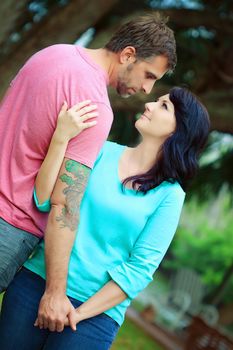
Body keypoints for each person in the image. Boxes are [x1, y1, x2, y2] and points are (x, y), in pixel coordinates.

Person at [0, 87, 210, 350]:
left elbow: (139, 270)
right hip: (35, 285)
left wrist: (78, 314)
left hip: (94, 317)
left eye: (164, 106)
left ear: (179, 131)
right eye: (157, 100)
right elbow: (44, 199)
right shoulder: (100, 151)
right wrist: (60, 139)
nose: (149, 105)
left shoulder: (170, 196)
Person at [0, 14, 176, 302]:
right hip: (10, 227)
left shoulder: (52, 53)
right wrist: (56, 293)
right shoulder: (95, 109)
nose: (147, 90)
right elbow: (63, 205)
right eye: (148, 75)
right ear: (128, 55)